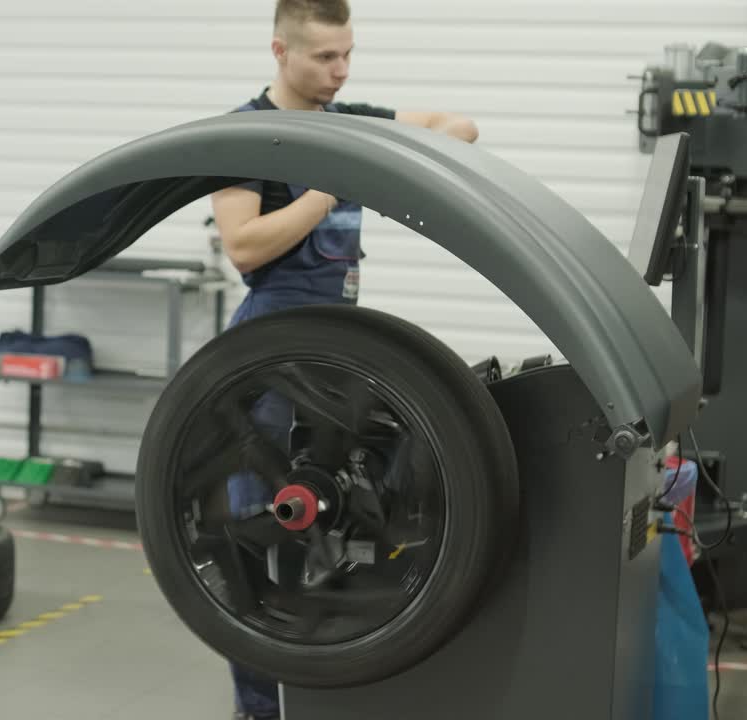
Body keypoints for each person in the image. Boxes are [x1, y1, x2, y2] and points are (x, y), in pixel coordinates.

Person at [210, 2, 478, 718]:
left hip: (339, 358)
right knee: (254, 543)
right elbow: (243, 245)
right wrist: (328, 185)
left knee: (351, 520)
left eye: (348, 54)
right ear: (280, 51)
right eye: (326, 57)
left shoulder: (353, 118)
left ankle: (325, 689)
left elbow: (462, 130)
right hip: (266, 357)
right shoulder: (244, 135)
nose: (342, 70)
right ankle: (261, 708)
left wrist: (390, 162)